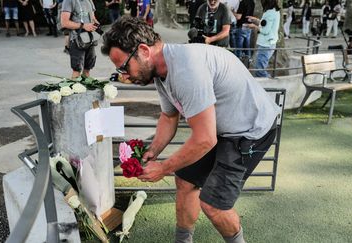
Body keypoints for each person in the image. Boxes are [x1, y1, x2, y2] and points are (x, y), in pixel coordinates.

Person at [101, 16, 279, 243]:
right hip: (220, 129)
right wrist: (153, 150)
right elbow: (168, 115)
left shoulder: (186, 68)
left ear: (144, 50)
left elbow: (205, 139)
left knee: (213, 205)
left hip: (250, 130)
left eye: (124, 67)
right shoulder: (160, 70)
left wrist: (163, 168)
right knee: (185, 181)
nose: (124, 75)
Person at [61, 0, 99, 78]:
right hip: (76, 40)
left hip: (90, 38)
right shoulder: (68, 1)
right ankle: (75, 89)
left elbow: (93, 18)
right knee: (77, 70)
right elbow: (64, 22)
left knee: (88, 68)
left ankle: (86, 87)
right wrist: (83, 26)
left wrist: (96, 23)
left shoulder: (89, 1)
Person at [246, 0, 280, 78]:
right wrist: (255, 20)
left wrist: (254, 26)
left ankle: (271, 85)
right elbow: (266, 24)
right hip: (269, 43)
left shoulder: (269, 13)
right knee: (260, 68)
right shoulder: (274, 11)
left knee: (260, 70)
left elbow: (265, 30)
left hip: (266, 44)